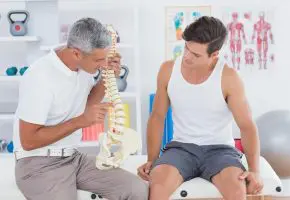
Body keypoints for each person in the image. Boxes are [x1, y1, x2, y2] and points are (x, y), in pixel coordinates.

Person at [13, 17, 148, 200]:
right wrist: (80, 122)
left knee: (137, 189)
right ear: (76, 53)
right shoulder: (40, 77)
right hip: (37, 165)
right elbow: (28, 140)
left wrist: (105, 76)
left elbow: (88, 104)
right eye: (98, 60)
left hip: (73, 158)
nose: (102, 64)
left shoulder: (83, 68)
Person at [138, 16, 263, 200]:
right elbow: (157, 116)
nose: (187, 57)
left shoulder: (229, 78)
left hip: (220, 150)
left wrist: (255, 170)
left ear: (214, 54)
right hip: (181, 148)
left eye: (196, 55)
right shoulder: (167, 70)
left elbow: (247, 126)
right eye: (186, 48)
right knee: (156, 187)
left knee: (237, 190)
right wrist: (152, 159)